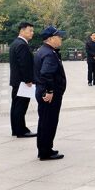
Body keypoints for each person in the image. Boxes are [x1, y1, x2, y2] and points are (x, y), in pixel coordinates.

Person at [34, 26, 67, 161]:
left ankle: (44, 149)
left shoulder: (43, 51)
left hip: (43, 91)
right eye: (59, 37)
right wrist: (50, 91)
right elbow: (46, 73)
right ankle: (45, 152)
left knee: (44, 121)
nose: (61, 39)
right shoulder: (49, 53)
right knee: (49, 122)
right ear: (51, 39)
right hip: (49, 95)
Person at [9, 21, 36, 138]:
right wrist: (28, 80)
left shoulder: (16, 43)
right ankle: (21, 130)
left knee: (16, 106)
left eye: (32, 31)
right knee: (20, 106)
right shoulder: (21, 45)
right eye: (30, 30)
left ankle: (16, 129)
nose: (32, 33)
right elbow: (24, 64)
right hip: (22, 82)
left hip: (17, 81)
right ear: (22, 30)